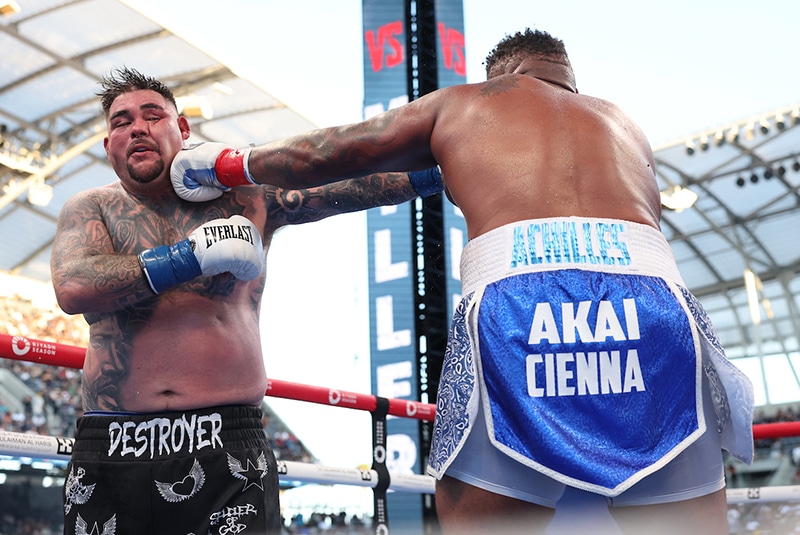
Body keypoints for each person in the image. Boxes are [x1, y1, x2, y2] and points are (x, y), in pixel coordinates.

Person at [170, 29, 755, 534]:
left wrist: (224, 163)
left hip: (524, 300)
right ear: (566, 76)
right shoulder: (622, 124)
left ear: (504, 72)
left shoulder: (470, 102)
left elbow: (337, 149)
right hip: (656, 302)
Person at [49, 67, 438, 535]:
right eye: (120, 121)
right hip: (113, 444)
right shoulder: (90, 208)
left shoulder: (246, 199)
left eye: (153, 116)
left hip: (226, 444)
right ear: (108, 144)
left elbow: (346, 185)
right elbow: (72, 285)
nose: (136, 127)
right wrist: (187, 258)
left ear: (183, 129)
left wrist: (446, 169)